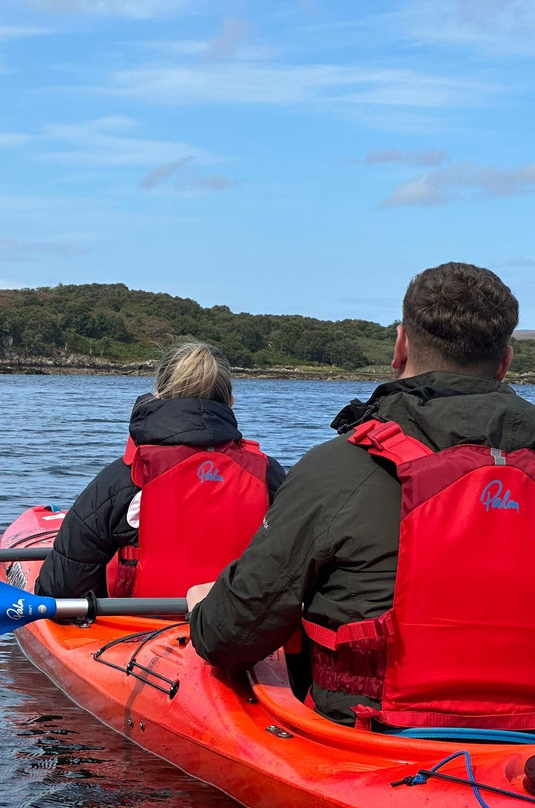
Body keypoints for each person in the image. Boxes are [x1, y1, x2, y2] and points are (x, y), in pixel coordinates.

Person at [188, 262, 535, 730]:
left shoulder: (337, 468)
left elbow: (229, 639)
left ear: (400, 346)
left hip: (375, 740)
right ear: (505, 362)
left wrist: (203, 610)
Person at [35, 340, 286, 599]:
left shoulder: (126, 477)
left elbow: (60, 588)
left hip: (142, 626)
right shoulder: (268, 474)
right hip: (238, 629)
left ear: (158, 394)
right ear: (230, 402)